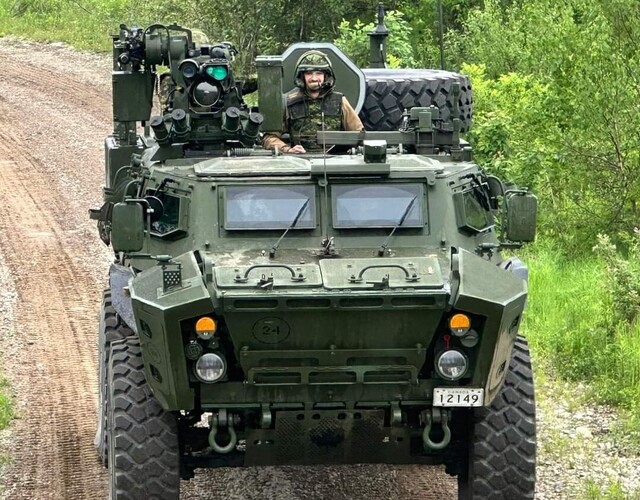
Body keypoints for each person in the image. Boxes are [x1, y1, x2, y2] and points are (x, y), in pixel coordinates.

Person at [262, 50, 364, 154]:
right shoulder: (289, 102)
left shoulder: (339, 101)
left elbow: (359, 135)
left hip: (334, 162)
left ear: (326, 76)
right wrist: (287, 149)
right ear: (302, 76)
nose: (314, 78)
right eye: (309, 73)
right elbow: (269, 137)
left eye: (319, 73)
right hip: (301, 161)